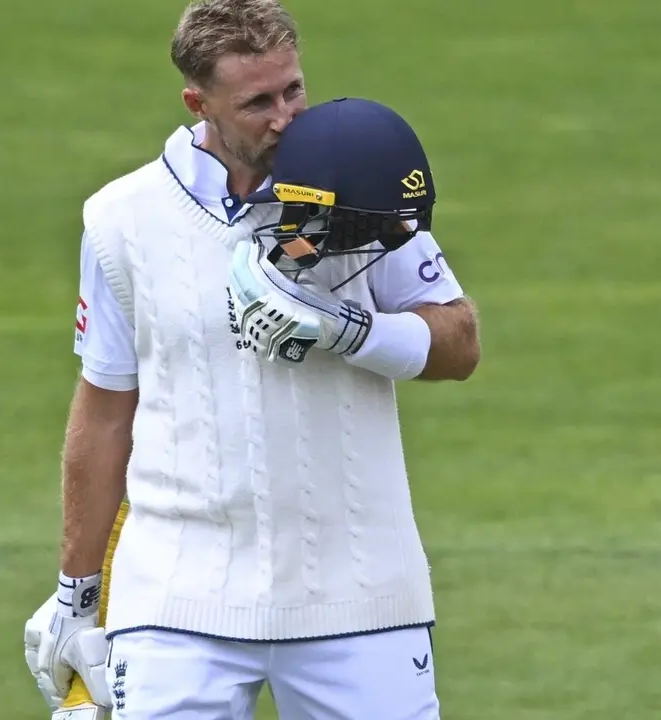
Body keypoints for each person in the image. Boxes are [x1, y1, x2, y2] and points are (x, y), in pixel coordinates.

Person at [23, 1, 481, 718]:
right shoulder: (121, 218)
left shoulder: (360, 185)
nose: (285, 118)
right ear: (197, 101)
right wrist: (77, 595)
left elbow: (459, 343)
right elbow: (106, 411)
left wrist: (352, 332)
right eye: (258, 102)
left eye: (293, 90)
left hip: (359, 596)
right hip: (177, 598)